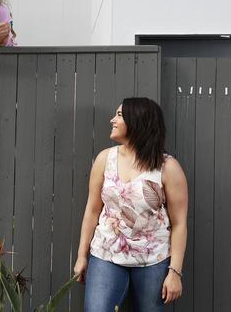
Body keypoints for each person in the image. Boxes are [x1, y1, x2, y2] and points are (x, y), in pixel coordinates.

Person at [74, 97, 188, 312]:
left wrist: (175, 272)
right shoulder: (104, 159)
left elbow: (179, 223)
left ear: (138, 122)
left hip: (153, 260)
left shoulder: (168, 167)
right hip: (106, 255)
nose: (112, 120)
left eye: (119, 115)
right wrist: (82, 256)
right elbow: (92, 210)